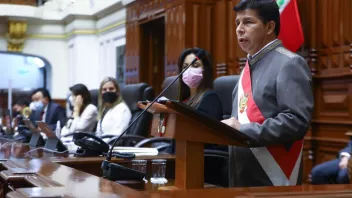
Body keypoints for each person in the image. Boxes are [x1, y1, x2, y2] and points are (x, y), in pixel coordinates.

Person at [221, 0, 314, 187]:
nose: (239, 29)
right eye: (237, 23)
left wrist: (242, 130)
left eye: (248, 22)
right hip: (240, 175)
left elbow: (296, 121)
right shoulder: (248, 66)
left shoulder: (289, 64)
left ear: (270, 26)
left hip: (271, 178)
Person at [168, 47, 225, 186]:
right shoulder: (185, 101)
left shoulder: (210, 98)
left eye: (195, 65)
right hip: (182, 161)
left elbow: (201, 135)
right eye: (185, 66)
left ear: (205, 70)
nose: (189, 70)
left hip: (202, 166)